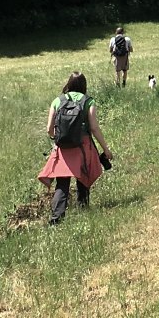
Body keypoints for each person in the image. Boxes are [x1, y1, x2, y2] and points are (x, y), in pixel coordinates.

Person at [37, 72, 115, 225]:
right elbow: (94, 128)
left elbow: (49, 129)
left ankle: (56, 218)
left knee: (62, 183)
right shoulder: (88, 102)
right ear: (84, 85)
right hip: (83, 145)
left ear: (68, 84)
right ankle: (83, 208)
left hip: (64, 147)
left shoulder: (57, 101)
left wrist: (56, 139)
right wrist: (105, 149)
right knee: (83, 177)